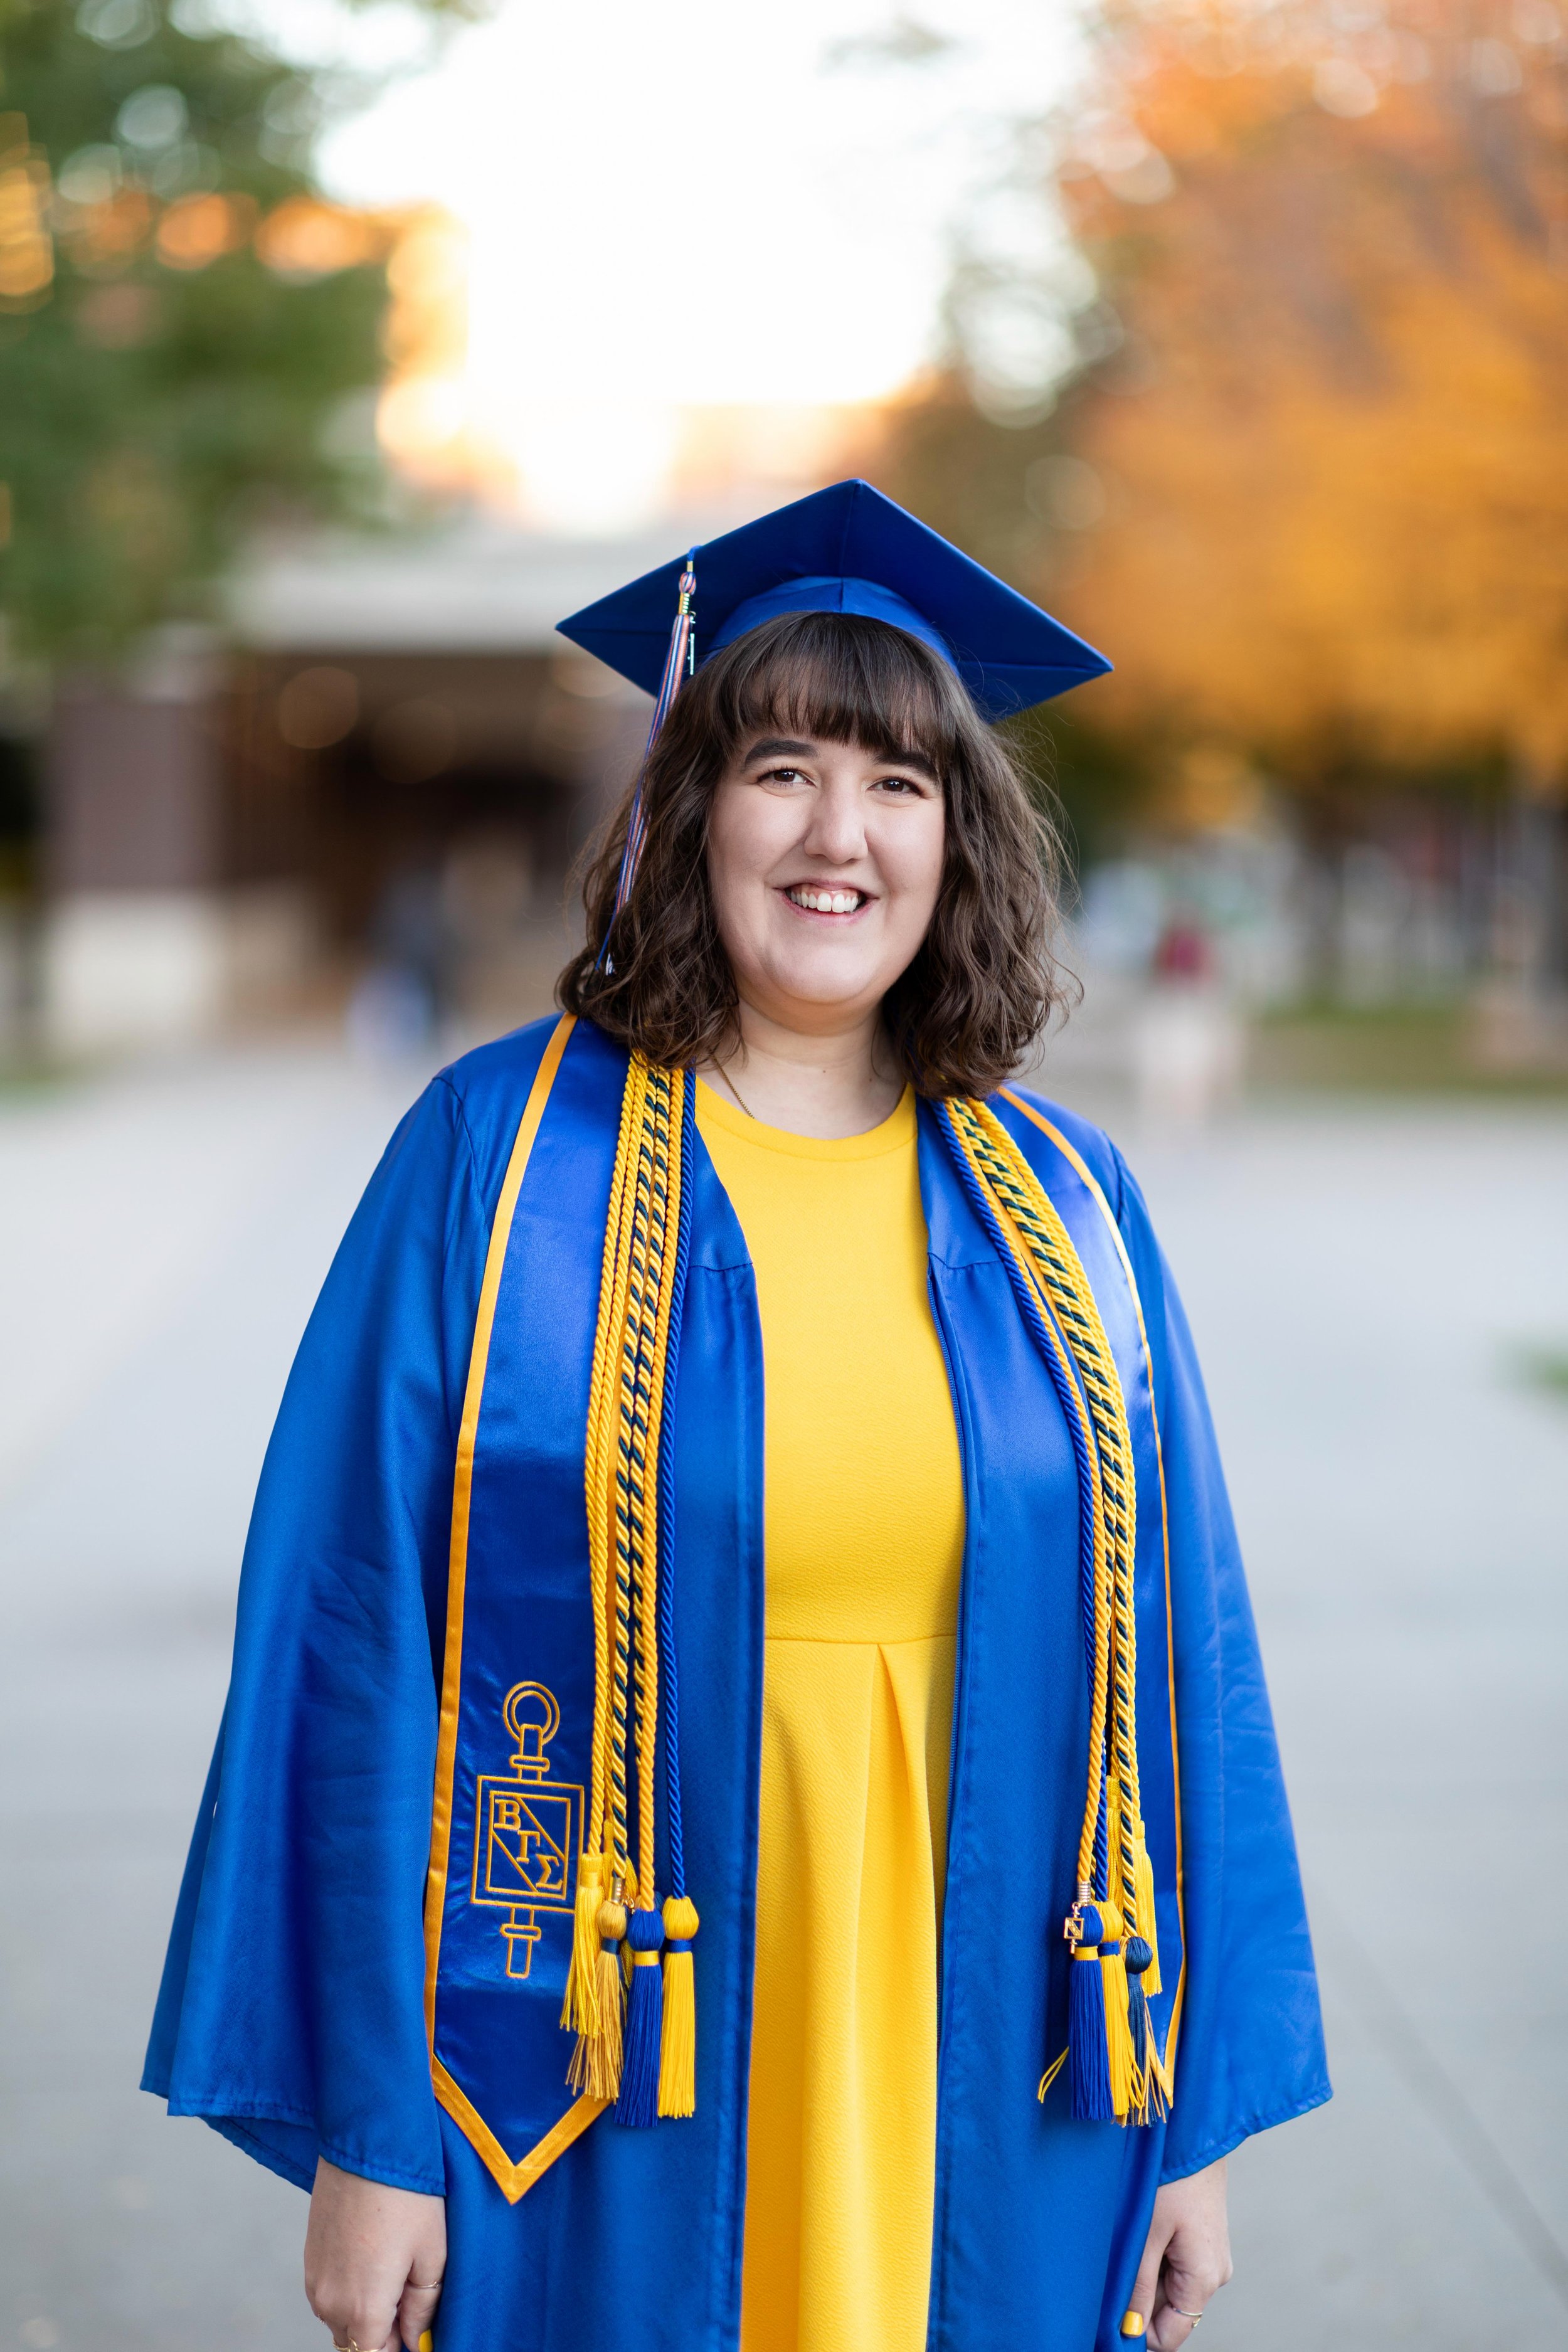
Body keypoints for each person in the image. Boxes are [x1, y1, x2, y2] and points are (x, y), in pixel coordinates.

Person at [144, 480, 1328, 2352]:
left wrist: (1184, 2120)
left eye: (899, 783)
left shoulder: (1066, 1201)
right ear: (692, 813)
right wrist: (376, 2132)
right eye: (781, 769)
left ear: (960, 841)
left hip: (992, 2039)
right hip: (601, 2054)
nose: (836, 836)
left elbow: (1179, 1665)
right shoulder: (496, 1152)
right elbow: (348, 1632)